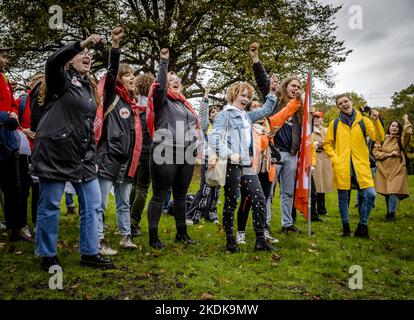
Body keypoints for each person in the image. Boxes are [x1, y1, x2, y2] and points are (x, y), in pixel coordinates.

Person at [30, 34, 114, 270]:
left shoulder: (88, 86)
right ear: (70, 59)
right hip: (55, 152)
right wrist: (81, 44)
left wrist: (93, 155)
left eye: (89, 53)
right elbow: (52, 61)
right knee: (51, 205)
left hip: (83, 156)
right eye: (82, 53)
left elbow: (87, 123)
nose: (87, 55)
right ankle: (47, 255)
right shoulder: (60, 78)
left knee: (94, 202)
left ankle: (89, 252)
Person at [208, 76, 279, 253]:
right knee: (231, 202)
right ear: (233, 95)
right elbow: (214, 138)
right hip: (232, 164)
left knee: (260, 200)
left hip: (248, 164)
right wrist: (229, 154)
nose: (246, 99)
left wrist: (271, 92)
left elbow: (266, 109)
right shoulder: (224, 115)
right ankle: (230, 240)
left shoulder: (247, 116)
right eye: (243, 95)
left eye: (248, 96)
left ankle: (260, 241)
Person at [146, 48, 199, 249]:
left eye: (178, 79)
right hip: (165, 150)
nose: (176, 80)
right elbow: (159, 86)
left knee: (180, 196)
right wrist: (163, 62)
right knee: (159, 194)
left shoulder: (185, 104)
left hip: (186, 153)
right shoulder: (162, 99)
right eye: (171, 79)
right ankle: (153, 237)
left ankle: (181, 234)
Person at [96, 27, 142, 255]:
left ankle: (125, 237)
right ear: (119, 81)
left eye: (133, 75)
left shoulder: (132, 105)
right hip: (107, 158)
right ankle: (98, 240)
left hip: (126, 162)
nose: (132, 77)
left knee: (124, 202)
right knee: (100, 204)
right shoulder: (112, 96)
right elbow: (111, 71)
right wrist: (115, 46)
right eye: (127, 75)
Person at [250, 42, 304, 234]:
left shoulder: (299, 109)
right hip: (273, 153)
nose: (296, 88)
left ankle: (287, 224)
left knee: (287, 192)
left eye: (298, 86)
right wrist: (256, 59)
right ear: (285, 87)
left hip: (291, 155)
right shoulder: (275, 102)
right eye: (293, 85)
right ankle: (265, 224)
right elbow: (263, 80)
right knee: (268, 192)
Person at [236, 95, 301, 244]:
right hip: (249, 168)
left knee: (264, 200)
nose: (258, 108)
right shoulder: (244, 123)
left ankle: (263, 231)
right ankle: (241, 232)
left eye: (260, 106)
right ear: (248, 110)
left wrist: (296, 100)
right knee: (246, 201)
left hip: (266, 168)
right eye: (254, 106)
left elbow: (285, 112)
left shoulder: (269, 123)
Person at [323, 94, 384, 238]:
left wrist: (376, 121)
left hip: (361, 165)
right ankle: (346, 228)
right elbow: (327, 143)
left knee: (370, 195)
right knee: (343, 197)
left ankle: (362, 226)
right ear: (338, 106)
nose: (344, 104)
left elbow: (379, 138)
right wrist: (335, 159)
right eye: (340, 103)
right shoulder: (335, 123)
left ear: (351, 102)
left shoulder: (364, 120)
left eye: (346, 101)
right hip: (342, 165)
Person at [0, 43, 31, 242]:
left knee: (14, 186)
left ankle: (15, 228)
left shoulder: (4, 79)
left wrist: (12, 111)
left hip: (8, 139)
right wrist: (4, 116)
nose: (6, 60)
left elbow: (12, 102)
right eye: (3, 56)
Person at [186, 87, 221, 226]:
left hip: (221, 161)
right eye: (213, 111)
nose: (216, 113)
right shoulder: (207, 126)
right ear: (210, 116)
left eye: (218, 110)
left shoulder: (224, 127)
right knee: (205, 188)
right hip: (207, 159)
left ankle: (211, 214)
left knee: (217, 189)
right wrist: (206, 96)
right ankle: (193, 215)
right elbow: (202, 114)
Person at [129, 72, 155, 237]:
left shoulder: (134, 105)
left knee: (134, 186)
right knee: (143, 188)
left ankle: (126, 218)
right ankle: (133, 222)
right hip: (148, 150)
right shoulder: (152, 108)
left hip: (135, 150)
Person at [373, 114, 412, 221]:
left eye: (397, 126)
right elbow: (376, 153)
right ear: (389, 127)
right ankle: (388, 212)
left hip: (397, 169)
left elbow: (408, 132)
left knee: (393, 191)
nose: (394, 128)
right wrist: (388, 154)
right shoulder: (381, 139)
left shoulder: (402, 140)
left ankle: (391, 214)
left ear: (399, 129)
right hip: (383, 169)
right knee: (386, 192)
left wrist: (406, 120)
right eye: (392, 126)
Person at [312, 111, 333, 216]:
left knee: (322, 185)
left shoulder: (326, 130)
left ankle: (322, 209)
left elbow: (331, 142)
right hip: (314, 159)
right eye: (314, 117)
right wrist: (316, 144)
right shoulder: (309, 130)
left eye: (318, 117)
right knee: (314, 185)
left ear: (322, 119)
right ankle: (312, 209)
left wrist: (321, 144)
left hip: (324, 159)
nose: (315, 119)